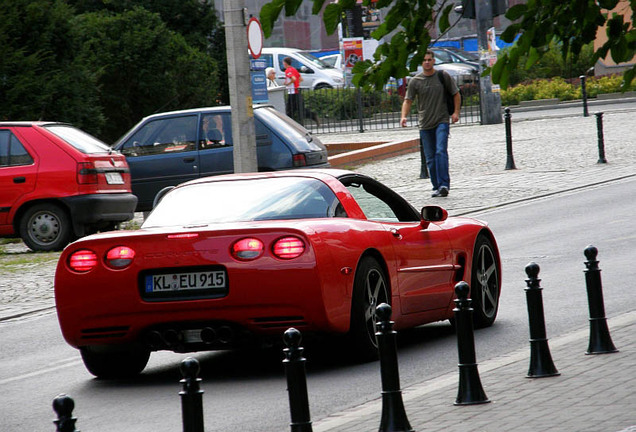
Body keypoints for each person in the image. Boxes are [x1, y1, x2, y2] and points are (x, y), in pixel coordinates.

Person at [400, 50, 460, 197]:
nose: (427, 62)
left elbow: (456, 94)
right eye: (424, 60)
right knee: (430, 158)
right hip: (425, 124)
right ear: (421, 63)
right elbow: (408, 100)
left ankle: (444, 184)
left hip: (442, 120)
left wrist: (456, 112)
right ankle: (436, 186)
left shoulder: (442, 76)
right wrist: (403, 116)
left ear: (434, 61)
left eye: (429, 59)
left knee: (440, 151)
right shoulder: (416, 81)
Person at [282, 57, 320, 126]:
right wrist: (296, 83)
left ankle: (290, 125)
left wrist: (287, 84)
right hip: (297, 91)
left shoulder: (287, 70)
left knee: (289, 110)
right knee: (300, 109)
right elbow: (301, 79)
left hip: (292, 92)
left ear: (285, 63)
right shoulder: (294, 69)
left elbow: (293, 78)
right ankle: (313, 115)